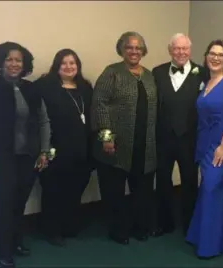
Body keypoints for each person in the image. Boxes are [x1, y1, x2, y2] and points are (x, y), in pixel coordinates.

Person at [0, 42, 50, 268]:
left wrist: (44, 151)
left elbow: (43, 121)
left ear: (24, 63)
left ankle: (16, 241)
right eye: (9, 59)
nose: (14, 63)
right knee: (2, 205)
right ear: (0, 62)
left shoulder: (31, 88)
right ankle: (3, 251)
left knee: (19, 203)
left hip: (26, 157)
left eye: (18, 60)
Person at [91, 31, 157, 245]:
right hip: (116, 144)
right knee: (115, 191)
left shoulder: (148, 75)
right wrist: (106, 137)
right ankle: (118, 229)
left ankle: (140, 226)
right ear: (122, 49)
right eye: (129, 47)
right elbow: (99, 105)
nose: (134, 51)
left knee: (142, 190)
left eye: (138, 47)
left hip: (144, 144)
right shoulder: (112, 73)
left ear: (143, 51)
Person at [185, 40, 223, 259]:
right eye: (212, 53)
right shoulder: (206, 82)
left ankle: (209, 244)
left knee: (210, 187)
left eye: (221, 54)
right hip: (205, 141)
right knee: (217, 188)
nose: (215, 58)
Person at [151, 33, 208, 237]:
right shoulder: (156, 72)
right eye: (177, 48)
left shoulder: (203, 73)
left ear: (190, 51)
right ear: (170, 50)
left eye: (185, 48)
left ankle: (189, 223)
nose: (181, 52)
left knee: (190, 182)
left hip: (190, 139)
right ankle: (164, 222)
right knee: (163, 181)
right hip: (163, 137)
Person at [35, 49, 94, 246]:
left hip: (80, 149)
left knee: (75, 189)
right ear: (56, 66)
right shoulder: (45, 86)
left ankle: (70, 225)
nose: (69, 67)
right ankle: (52, 230)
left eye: (73, 63)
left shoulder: (85, 87)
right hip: (55, 149)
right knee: (53, 191)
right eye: (64, 63)